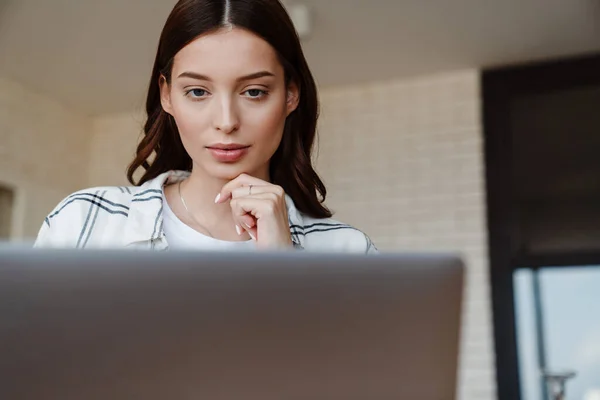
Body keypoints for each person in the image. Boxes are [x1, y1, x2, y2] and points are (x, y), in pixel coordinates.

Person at [34, 0, 377, 253]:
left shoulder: (348, 251)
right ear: (167, 96)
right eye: (197, 91)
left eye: (254, 92)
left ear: (290, 95)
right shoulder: (82, 223)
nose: (226, 122)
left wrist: (282, 269)